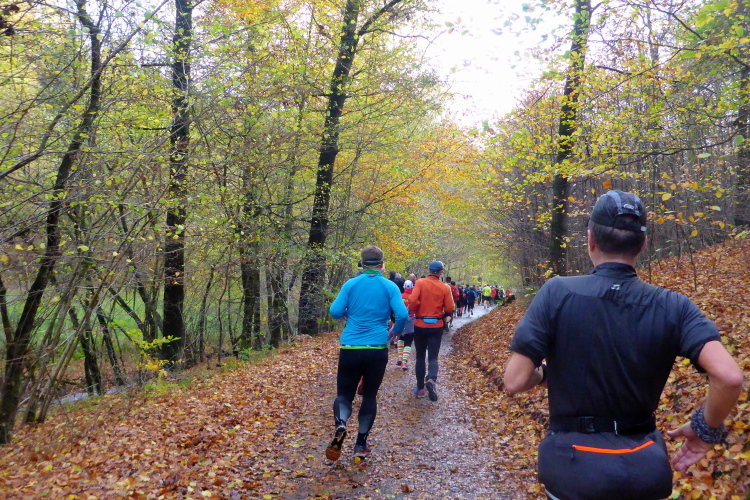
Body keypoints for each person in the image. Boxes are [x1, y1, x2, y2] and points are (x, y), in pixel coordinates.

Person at [503, 190, 743, 500]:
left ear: (590, 240)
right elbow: (729, 377)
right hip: (643, 470)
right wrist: (705, 429)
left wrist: (542, 375)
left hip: (573, 469)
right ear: (643, 244)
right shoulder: (674, 306)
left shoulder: (557, 292)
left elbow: (514, 380)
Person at [327, 245, 408, 462]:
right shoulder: (390, 286)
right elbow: (402, 314)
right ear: (382, 265)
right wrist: (394, 332)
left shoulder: (351, 284)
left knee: (344, 394)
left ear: (362, 264)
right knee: (370, 395)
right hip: (377, 348)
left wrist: (348, 313)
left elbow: (334, 312)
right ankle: (360, 445)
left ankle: (341, 425)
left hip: (350, 347)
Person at [408, 261, 455, 401]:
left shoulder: (420, 283)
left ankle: (420, 388)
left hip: (420, 324)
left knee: (420, 356)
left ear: (428, 270)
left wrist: (415, 309)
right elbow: (449, 308)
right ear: (441, 272)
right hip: (436, 325)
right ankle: (431, 380)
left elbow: (412, 300)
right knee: (433, 356)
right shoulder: (445, 287)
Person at [396, 280, 416, 371]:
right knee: (408, 341)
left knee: (400, 338)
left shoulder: (400, 296)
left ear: (404, 287)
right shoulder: (413, 297)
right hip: (411, 319)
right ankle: (404, 362)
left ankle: (400, 358)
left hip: (400, 319)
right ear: (412, 287)